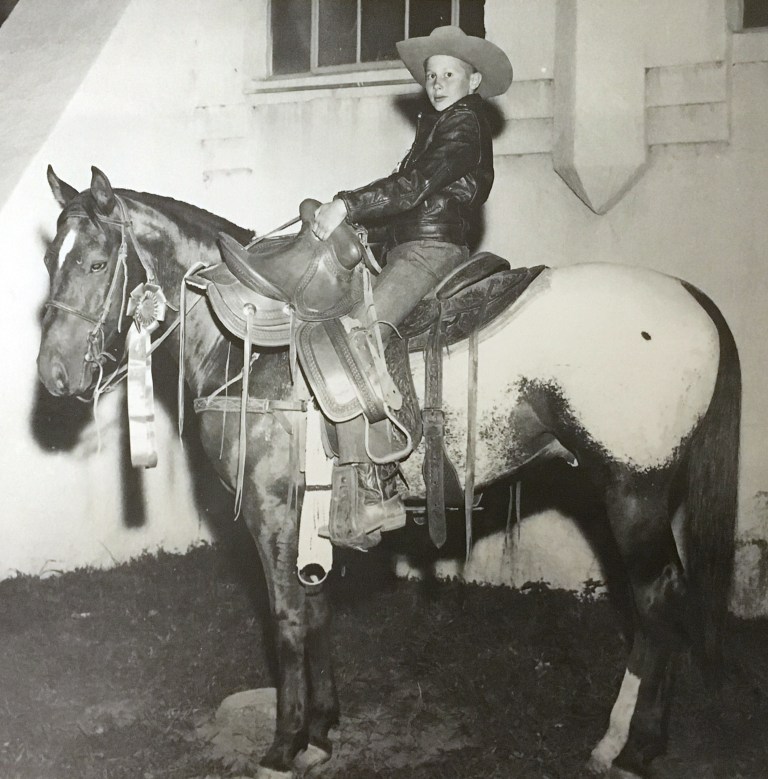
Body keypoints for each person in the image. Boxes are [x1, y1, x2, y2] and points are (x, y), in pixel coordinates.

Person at [308, 25, 513, 548]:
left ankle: (374, 485)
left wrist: (347, 205)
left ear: (473, 80)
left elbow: (416, 188)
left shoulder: (463, 125)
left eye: (449, 73)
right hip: (408, 247)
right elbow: (410, 199)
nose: (439, 82)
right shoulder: (438, 125)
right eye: (431, 74)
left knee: (356, 336)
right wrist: (362, 226)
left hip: (429, 252)